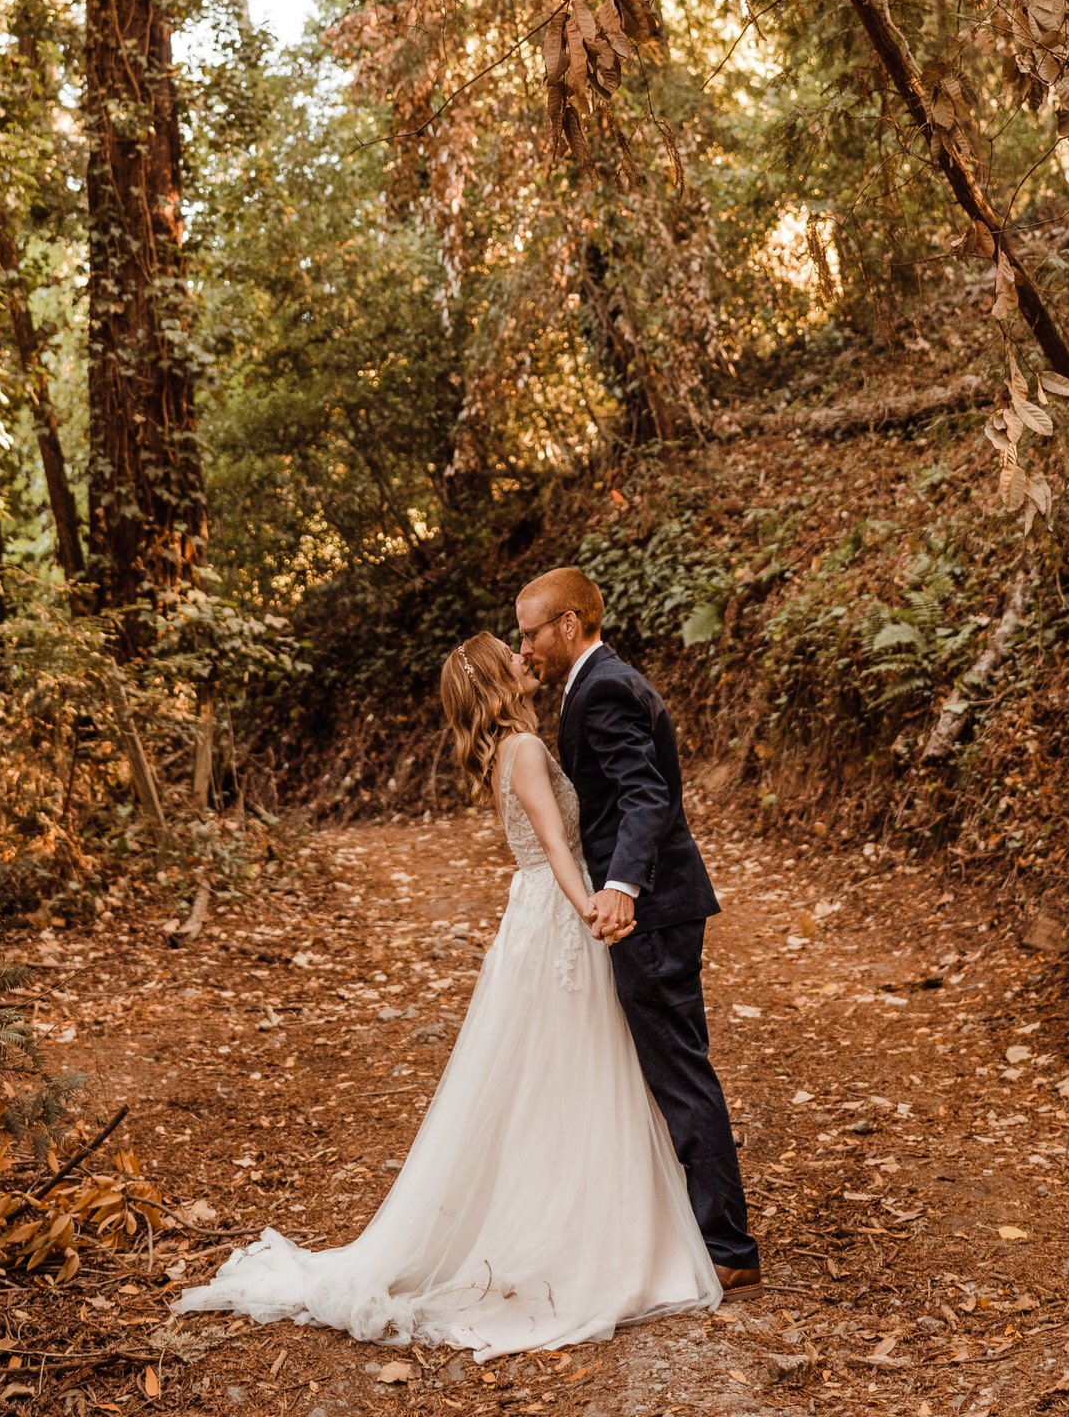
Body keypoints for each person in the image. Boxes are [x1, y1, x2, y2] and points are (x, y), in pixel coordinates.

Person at [174, 631, 720, 1358]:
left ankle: (602, 1226)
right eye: (513, 653)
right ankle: (579, 1237)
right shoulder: (522, 750)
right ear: (498, 677)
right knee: (568, 1069)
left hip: (542, 913)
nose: (527, 657)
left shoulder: (516, 744)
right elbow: (558, 844)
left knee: (565, 1067)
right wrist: (588, 905)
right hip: (558, 913)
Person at [515, 564, 760, 1290]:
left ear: (568, 625)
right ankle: (707, 1229)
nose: (523, 644)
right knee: (677, 1067)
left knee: (680, 1072)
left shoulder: (603, 691)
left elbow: (645, 796)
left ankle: (728, 1249)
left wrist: (621, 886)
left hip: (651, 910)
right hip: (661, 905)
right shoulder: (599, 683)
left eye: (531, 631)